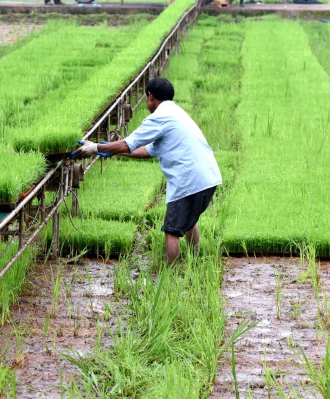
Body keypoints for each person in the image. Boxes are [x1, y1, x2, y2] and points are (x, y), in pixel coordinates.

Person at [72, 77, 221, 265]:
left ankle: (170, 274)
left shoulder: (159, 117)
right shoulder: (176, 112)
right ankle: (195, 261)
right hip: (208, 177)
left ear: (150, 96)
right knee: (188, 221)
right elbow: (147, 151)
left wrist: (96, 148)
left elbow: (129, 143)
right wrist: (113, 150)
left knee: (172, 230)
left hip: (189, 180)